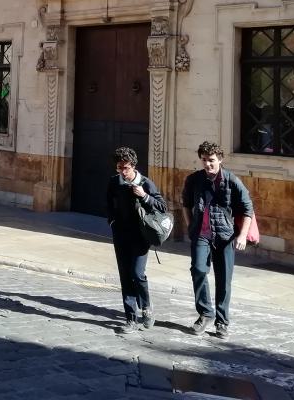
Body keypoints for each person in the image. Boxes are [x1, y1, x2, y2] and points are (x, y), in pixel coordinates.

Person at [182, 141, 254, 339]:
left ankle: (222, 321)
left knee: (224, 279)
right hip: (201, 234)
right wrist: (190, 226)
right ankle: (205, 313)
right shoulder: (194, 179)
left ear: (220, 159)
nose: (207, 164)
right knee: (198, 270)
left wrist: (242, 235)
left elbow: (248, 209)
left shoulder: (232, 180)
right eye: (204, 160)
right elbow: (186, 204)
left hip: (225, 236)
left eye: (211, 160)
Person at [106, 147, 166, 333]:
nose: (122, 172)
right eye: (119, 168)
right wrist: (112, 221)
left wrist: (144, 196)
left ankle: (146, 307)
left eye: (126, 168)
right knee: (125, 275)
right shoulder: (114, 182)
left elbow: (162, 207)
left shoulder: (145, 183)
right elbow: (108, 203)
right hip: (121, 235)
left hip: (140, 236)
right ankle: (130, 318)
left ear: (133, 166)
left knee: (137, 273)